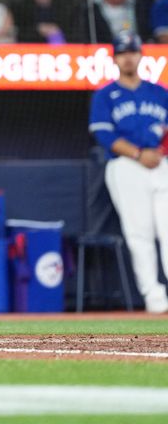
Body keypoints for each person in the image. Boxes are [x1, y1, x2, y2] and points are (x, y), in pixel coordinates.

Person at [89, 32, 168, 314]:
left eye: (132, 52)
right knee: (140, 233)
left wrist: (157, 151)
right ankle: (155, 299)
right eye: (122, 53)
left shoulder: (159, 92)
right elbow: (105, 137)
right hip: (126, 166)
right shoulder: (105, 95)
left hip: (161, 163)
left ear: (140, 55)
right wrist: (138, 153)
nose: (128, 57)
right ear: (115, 58)